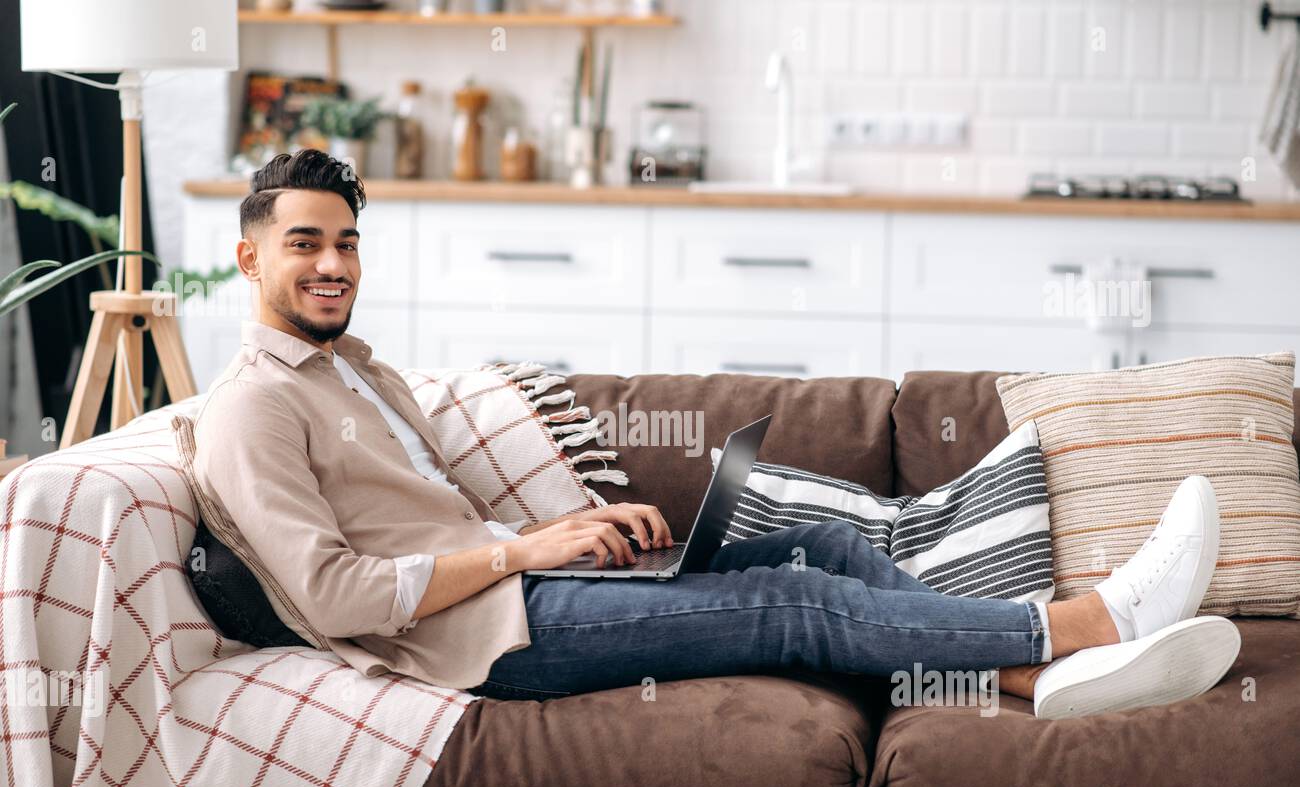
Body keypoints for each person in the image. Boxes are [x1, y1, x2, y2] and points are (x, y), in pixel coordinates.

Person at [193, 149, 1240, 722]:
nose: (332, 264)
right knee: (795, 603)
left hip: (527, 587)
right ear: (248, 261)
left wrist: (577, 528)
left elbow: (433, 520)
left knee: (825, 547)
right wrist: (524, 551)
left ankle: (1026, 679)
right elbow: (333, 595)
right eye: (303, 244)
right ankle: (1082, 627)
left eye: (345, 242)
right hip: (483, 644)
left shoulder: (359, 371)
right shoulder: (253, 407)